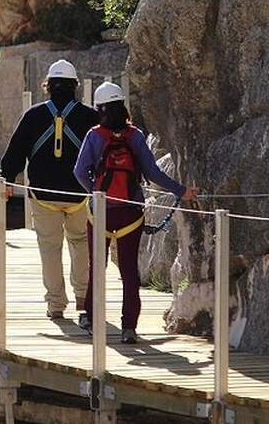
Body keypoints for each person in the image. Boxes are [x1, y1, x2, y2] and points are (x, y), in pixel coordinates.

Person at [73, 81, 198, 344]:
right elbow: (153, 173)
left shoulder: (95, 136)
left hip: (101, 212)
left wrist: (96, 191)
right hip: (131, 212)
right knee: (129, 271)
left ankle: (92, 319)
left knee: (97, 267)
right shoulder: (136, 136)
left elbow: (78, 171)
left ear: (100, 108)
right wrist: (181, 190)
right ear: (123, 105)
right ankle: (129, 327)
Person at [0, 59, 100, 320]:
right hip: (79, 194)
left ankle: (56, 305)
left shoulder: (33, 115)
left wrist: (8, 178)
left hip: (43, 194)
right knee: (80, 243)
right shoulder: (90, 116)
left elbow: (16, 151)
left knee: (49, 248)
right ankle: (82, 297)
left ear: (48, 86)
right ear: (74, 86)